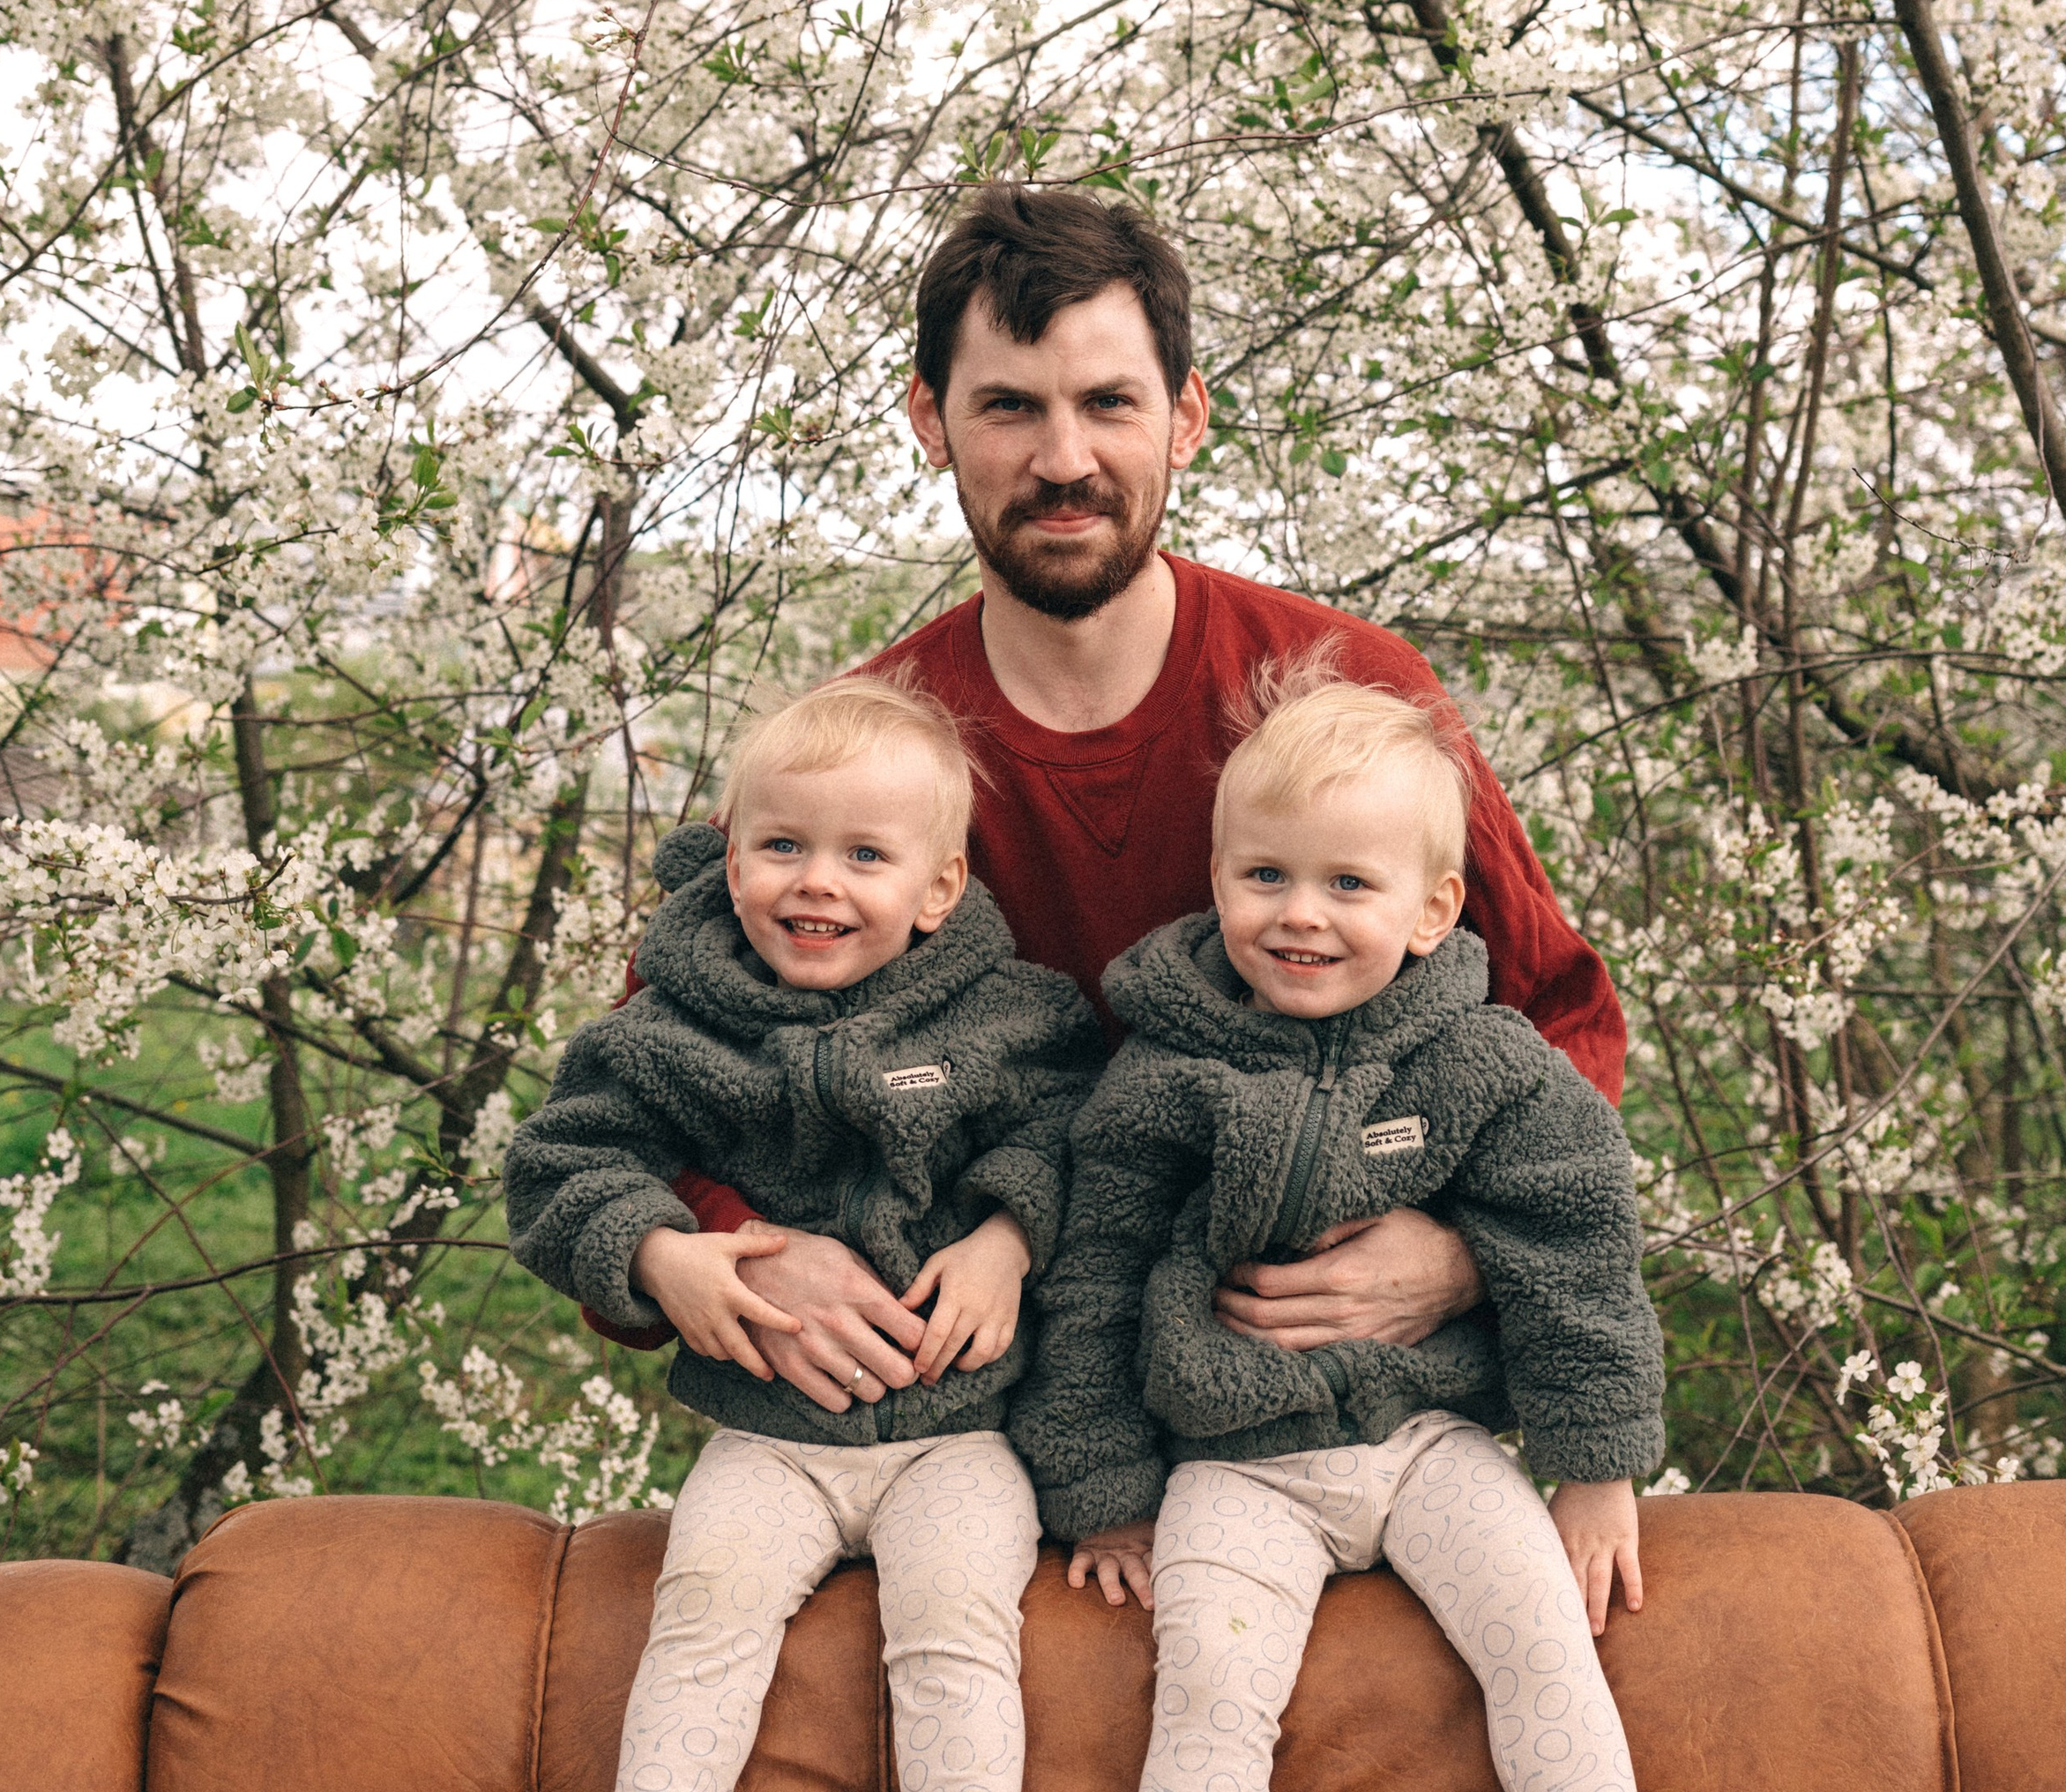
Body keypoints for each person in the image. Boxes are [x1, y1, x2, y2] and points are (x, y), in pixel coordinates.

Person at [638, 183, 1632, 1422]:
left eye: (1108, 403)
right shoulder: (857, 769)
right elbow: (644, 1088)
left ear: (1185, 418)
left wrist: (1466, 1253)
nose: (1065, 461)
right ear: (929, 422)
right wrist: (724, 1244)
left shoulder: (1359, 695)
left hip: (1305, 1408)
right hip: (960, 1421)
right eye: (1008, 407)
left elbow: (1563, 1020)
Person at [1011, 673, 1810, 1792]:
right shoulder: (1165, 1072)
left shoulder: (1483, 1067)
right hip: (1235, 1464)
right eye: (1265, 877)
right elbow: (1095, 1279)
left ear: (1435, 908)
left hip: (1427, 1444)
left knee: (1541, 1644)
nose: (1299, 916)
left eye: (1347, 884)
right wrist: (1103, 1482)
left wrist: (1592, 1467)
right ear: (1216, 883)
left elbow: (1578, 1242)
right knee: (1208, 1697)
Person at [488, 676, 1100, 1792]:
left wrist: (1012, 1235)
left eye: (865, 858)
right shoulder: (676, 1024)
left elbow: (1087, 1143)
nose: (816, 885)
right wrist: (657, 1252)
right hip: (772, 1431)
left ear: (942, 887)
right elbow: (562, 1163)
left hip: (958, 1428)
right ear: (730, 848)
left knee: (957, 1633)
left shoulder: (1010, 1018)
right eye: (782, 849)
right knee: (706, 1606)